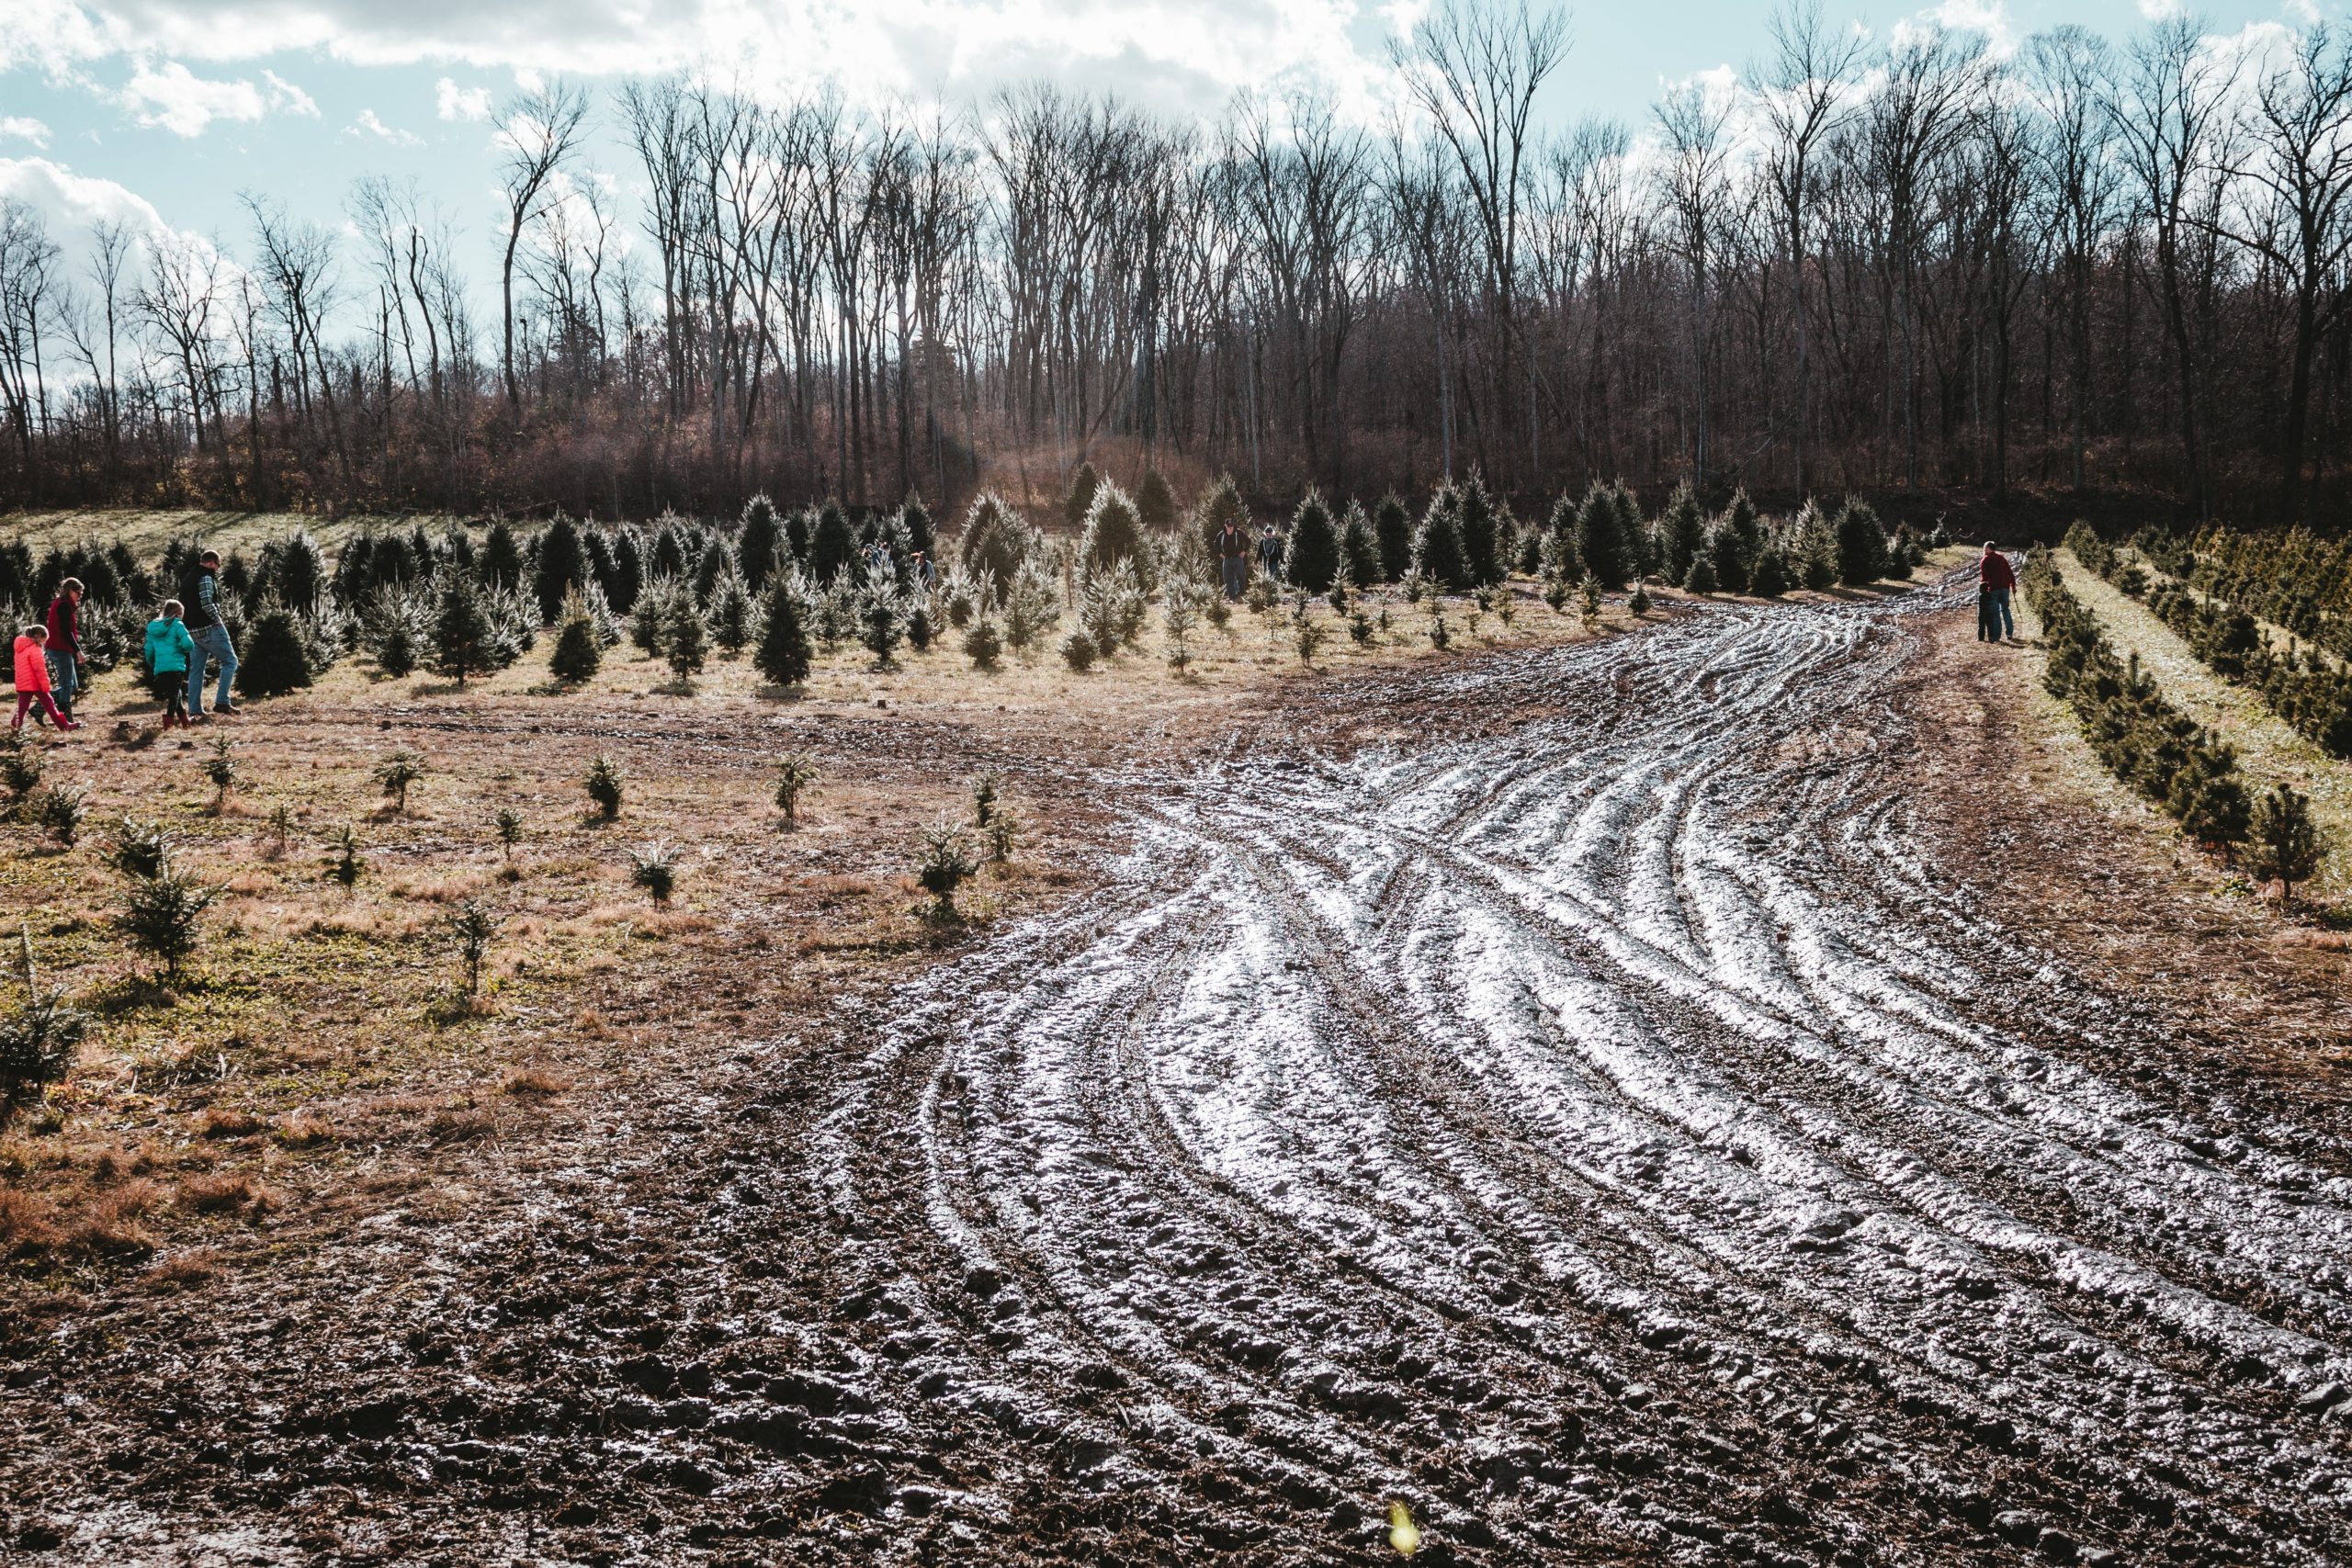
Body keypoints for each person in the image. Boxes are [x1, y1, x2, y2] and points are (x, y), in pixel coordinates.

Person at [179, 549, 238, 718]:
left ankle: (195, 709)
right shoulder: (205, 577)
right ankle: (222, 702)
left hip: (191, 630)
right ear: (212, 563)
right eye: (218, 566)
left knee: (196, 670)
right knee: (230, 661)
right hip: (208, 628)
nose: (217, 570)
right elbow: (206, 603)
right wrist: (218, 620)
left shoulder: (188, 577)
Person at [12, 626, 79, 732]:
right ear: (38, 636)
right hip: (36, 683)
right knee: (50, 704)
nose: (44, 643)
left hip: (23, 682)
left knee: (22, 707)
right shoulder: (35, 649)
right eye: (44, 640)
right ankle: (64, 725)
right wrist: (45, 686)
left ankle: (15, 726)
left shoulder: (20, 647)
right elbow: (39, 669)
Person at [144, 599, 196, 728]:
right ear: (178, 613)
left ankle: (185, 721)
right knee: (174, 694)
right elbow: (189, 644)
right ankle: (168, 722)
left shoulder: (152, 627)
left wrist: (153, 664)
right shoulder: (177, 624)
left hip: (161, 667)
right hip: (176, 666)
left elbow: (149, 650)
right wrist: (182, 648)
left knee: (175, 692)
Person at [42, 577, 84, 723]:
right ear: (70, 590)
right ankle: (65, 720)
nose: (79, 596)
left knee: (73, 685)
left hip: (59, 648)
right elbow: (67, 632)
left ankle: (39, 707)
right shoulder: (64, 605)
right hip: (59, 648)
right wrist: (78, 651)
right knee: (67, 684)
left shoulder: (61, 603)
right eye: (78, 593)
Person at [1977, 542, 2017, 642]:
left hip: (1993, 588)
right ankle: (2009, 633)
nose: (1984, 550)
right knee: (2005, 610)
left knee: (1995, 613)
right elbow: (2010, 572)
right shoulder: (2002, 558)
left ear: (1988, 548)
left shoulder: (1986, 559)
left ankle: (1996, 637)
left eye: (1984, 548)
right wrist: (2013, 586)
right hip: (2005, 587)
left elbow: (1985, 577)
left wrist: (1982, 586)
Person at [1217, 516, 1250, 600]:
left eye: (1231, 527)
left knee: (1241, 576)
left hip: (1237, 559)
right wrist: (1219, 553)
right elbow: (1215, 544)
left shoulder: (1238, 533)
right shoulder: (1221, 534)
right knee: (1228, 578)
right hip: (1227, 560)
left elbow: (1248, 541)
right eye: (1228, 527)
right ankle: (1232, 596)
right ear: (1225, 526)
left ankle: (1242, 593)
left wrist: (1244, 551)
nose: (1230, 529)